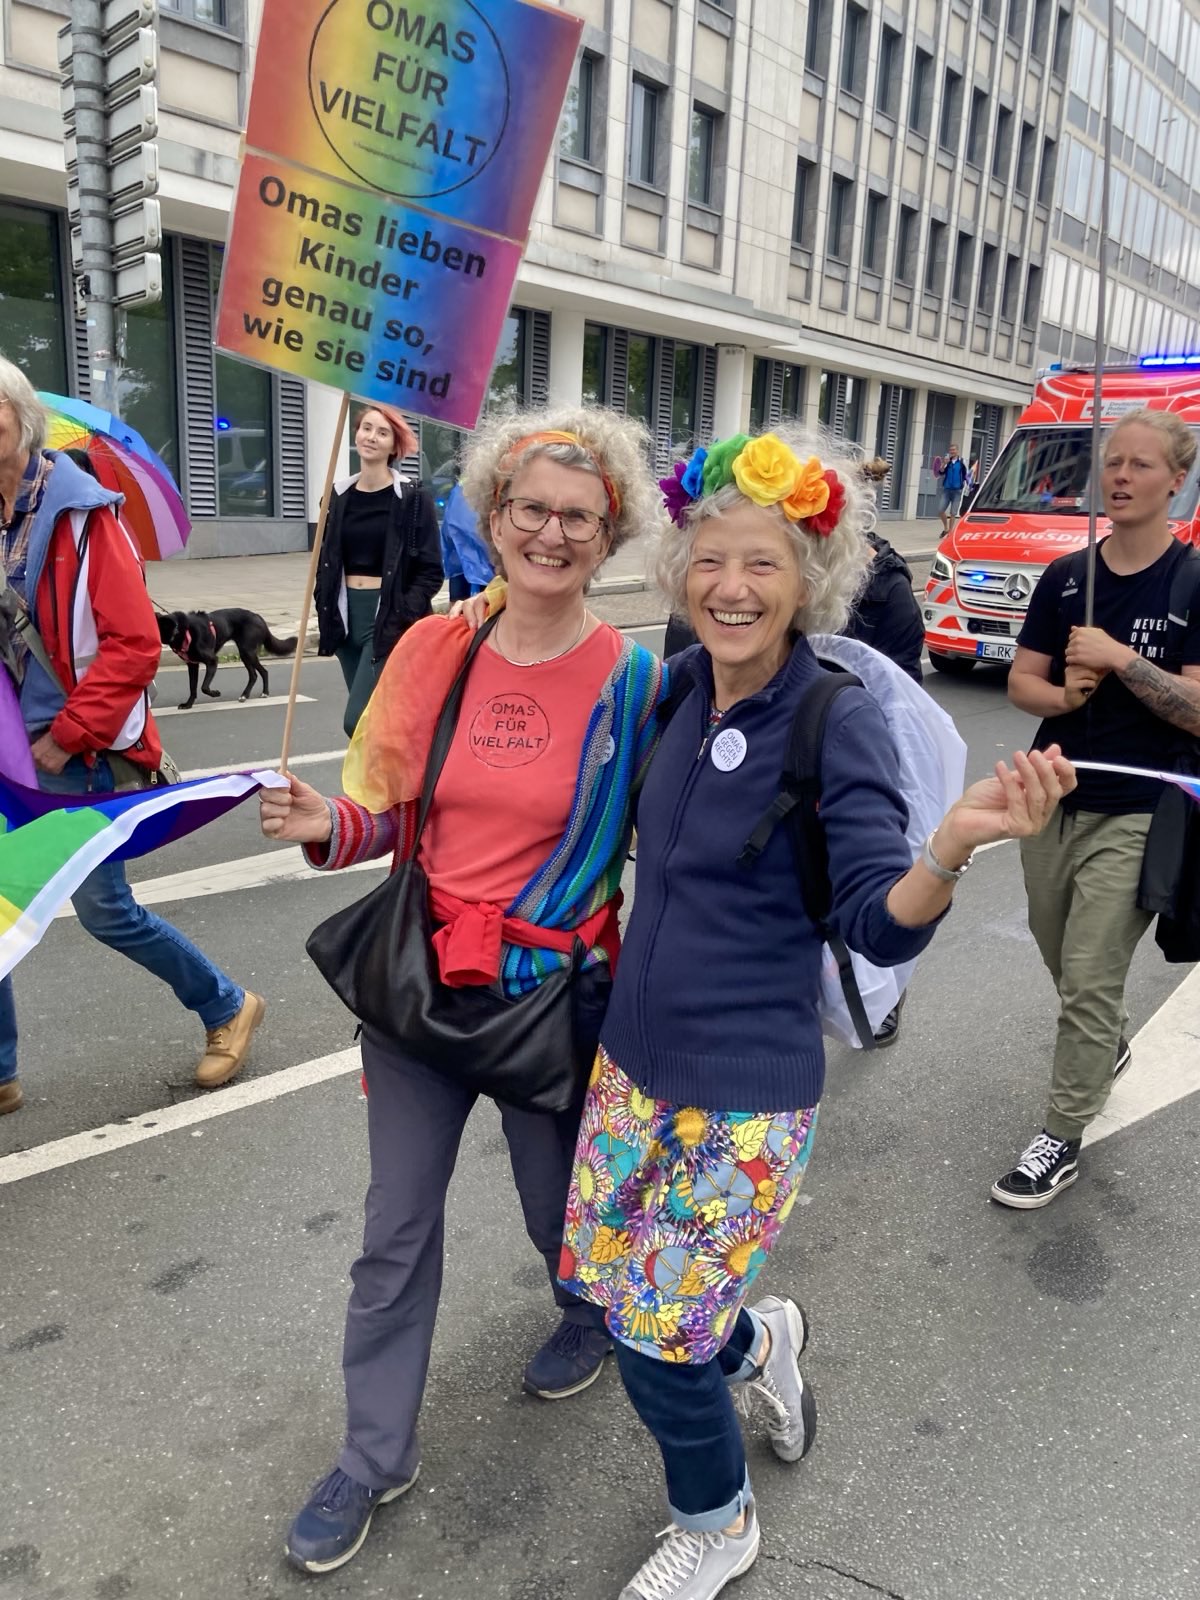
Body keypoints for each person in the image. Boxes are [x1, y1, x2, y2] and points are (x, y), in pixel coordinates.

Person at [560, 426, 1074, 1600]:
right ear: (680, 570)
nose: (731, 586)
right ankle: (764, 1339)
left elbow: (877, 925)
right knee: (616, 1283)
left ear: (810, 580)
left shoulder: (835, 717)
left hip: (745, 1094)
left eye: (764, 563)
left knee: (655, 1337)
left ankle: (718, 1521)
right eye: (710, 560)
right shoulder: (676, 688)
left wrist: (949, 846)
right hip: (632, 1066)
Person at [258, 408, 666, 1575]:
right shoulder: (437, 649)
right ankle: (371, 1454)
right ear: (492, 515)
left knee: (559, 1213)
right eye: (530, 508)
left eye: (579, 517)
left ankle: (585, 1310)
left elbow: (680, 844)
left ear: (609, 535)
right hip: (422, 989)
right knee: (394, 1230)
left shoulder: (638, 683)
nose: (551, 533)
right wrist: (325, 822)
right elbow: (384, 813)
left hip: (552, 998)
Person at [0, 356, 263, 1117]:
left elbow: (135, 646)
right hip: (9, 745)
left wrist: (68, 734)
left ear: (22, 418)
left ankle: (228, 1004)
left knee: (106, 910)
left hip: (71, 747)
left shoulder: (85, 517)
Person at [992, 407, 1200, 1209]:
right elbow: (1023, 682)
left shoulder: (1190, 582)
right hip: (1051, 794)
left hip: (1140, 806)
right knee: (1057, 948)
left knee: (1087, 973)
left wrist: (1121, 661)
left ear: (1176, 479)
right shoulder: (1065, 578)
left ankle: (1061, 1135)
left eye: (1141, 464)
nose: (1120, 475)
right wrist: (1065, 694)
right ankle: (1105, 1041)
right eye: (1113, 461)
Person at [315, 404, 443, 739]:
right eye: (367, 428)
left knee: (357, 721)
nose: (372, 437)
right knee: (379, 721)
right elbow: (326, 561)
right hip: (345, 619)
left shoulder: (413, 499)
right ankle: (389, 771)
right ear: (356, 434)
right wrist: (322, 600)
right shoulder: (337, 497)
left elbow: (431, 571)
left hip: (386, 618)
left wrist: (402, 613)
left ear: (394, 446)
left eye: (382, 432)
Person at [439, 477, 495, 602]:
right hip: (486, 569)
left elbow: (448, 531)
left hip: (460, 566)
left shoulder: (458, 491)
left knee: (459, 609)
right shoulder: (489, 487)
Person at [936, 442, 967, 533]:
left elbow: (967, 474)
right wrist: (943, 464)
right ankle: (946, 528)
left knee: (953, 513)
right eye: (951, 450)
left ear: (957, 451)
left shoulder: (962, 462)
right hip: (947, 490)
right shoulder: (947, 462)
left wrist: (968, 486)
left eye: (954, 450)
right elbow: (941, 472)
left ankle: (950, 531)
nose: (952, 451)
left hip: (957, 490)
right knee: (940, 510)